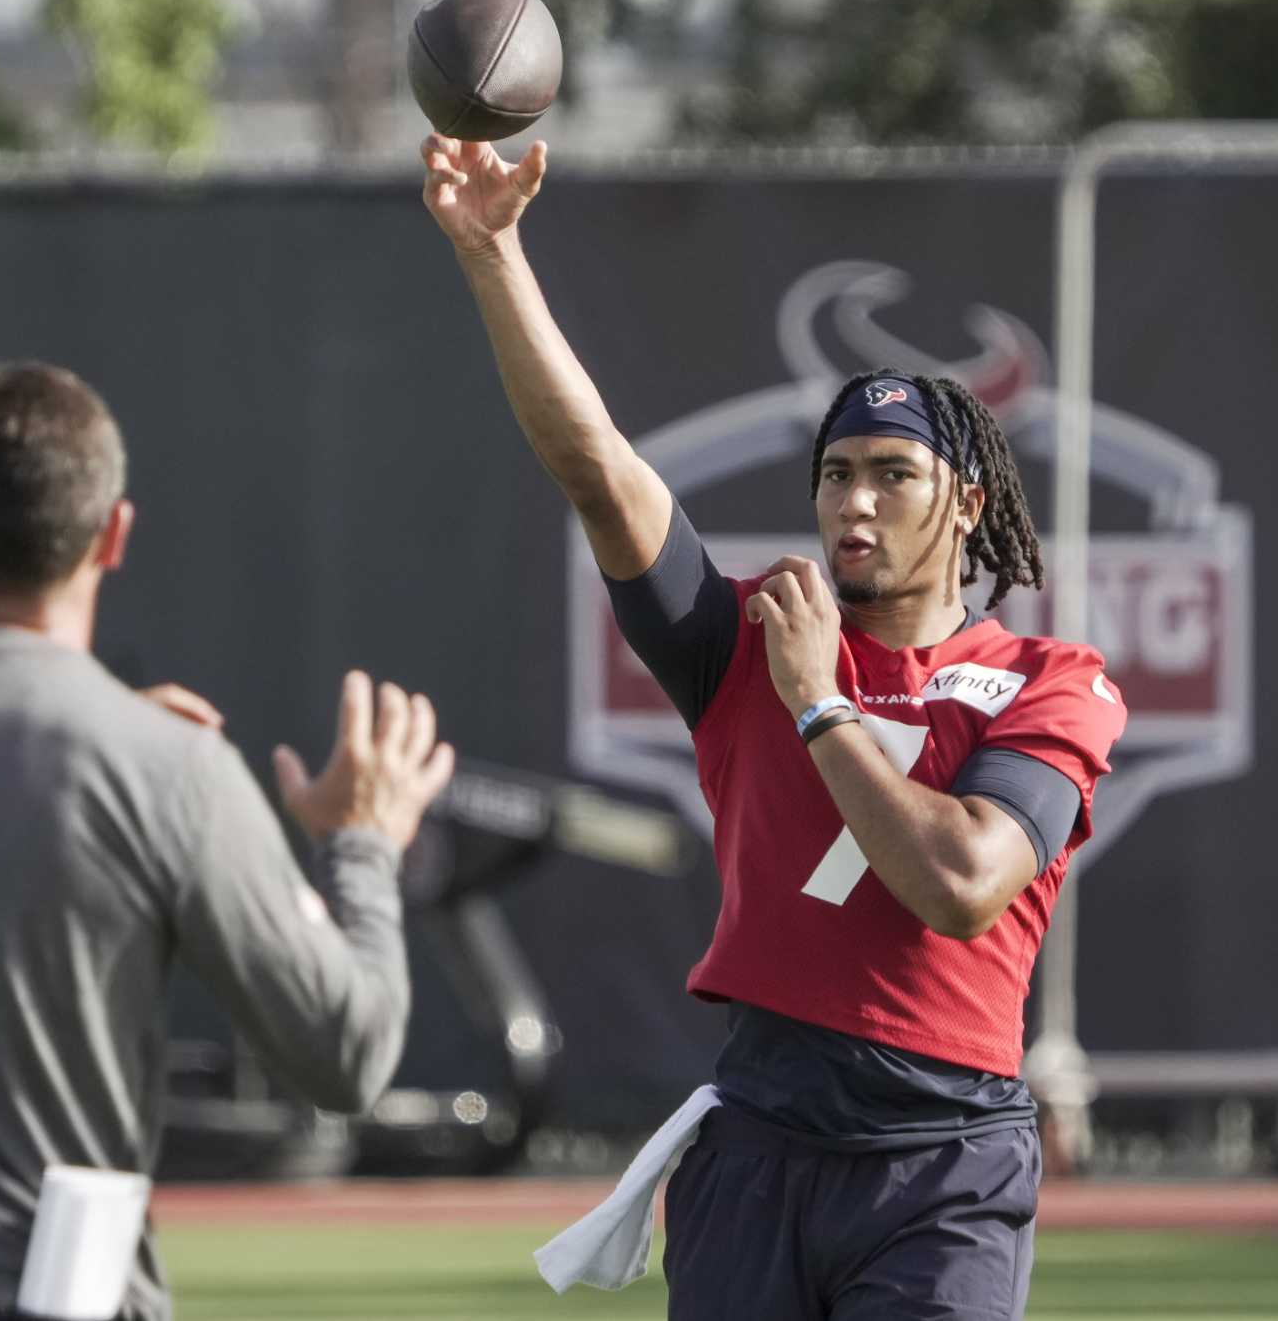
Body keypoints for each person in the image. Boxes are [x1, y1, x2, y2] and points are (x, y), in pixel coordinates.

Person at [419, 135, 1125, 1320]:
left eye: (890, 473)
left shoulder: (1050, 677)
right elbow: (596, 468)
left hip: (940, 1159)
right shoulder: (747, 635)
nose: (852, 501)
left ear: (968, 501)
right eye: (834, 471)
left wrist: (821, 704)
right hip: (758, 1141)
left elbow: (961, 880)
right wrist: (491, 253)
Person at [0, 361, 454, 1321]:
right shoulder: (169, 768)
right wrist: (363, 843)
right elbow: (348, 1053)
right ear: (114, 535)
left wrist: (117, 752)